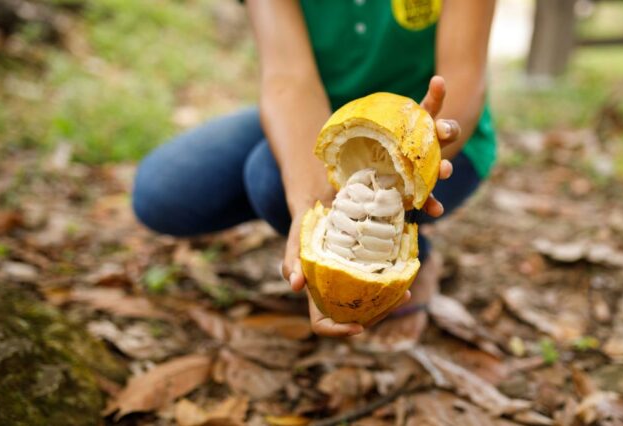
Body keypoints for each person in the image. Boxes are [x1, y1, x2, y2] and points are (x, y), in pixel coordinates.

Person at [132, 0, 496, 351]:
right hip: (322, 110)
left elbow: (463, 77)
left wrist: (415, 157)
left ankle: (413, 253)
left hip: (433, 130)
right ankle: (377, 242)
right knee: (163, 191)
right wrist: (309, 202)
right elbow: (288, 78)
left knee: (268, 176)